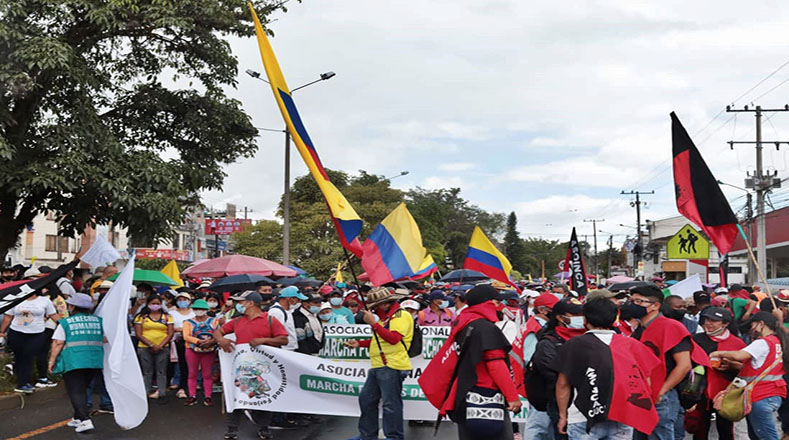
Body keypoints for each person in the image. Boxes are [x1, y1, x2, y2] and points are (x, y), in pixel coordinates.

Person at [418, 284, 521, 440]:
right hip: (487, 394)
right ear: (487, 303)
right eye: (497, 302)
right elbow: (495, 364)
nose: (500, 306)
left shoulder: (464, 322)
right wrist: (512, 396)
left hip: (464, 394)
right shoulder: (485, 328)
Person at [556, 298, 660, 440]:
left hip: (583, 416)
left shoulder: (574, 344)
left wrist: (563, 416)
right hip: (623, 415)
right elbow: (645, 383)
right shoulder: (632, 344)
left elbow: (563, 384)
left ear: (585, 319)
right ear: (614, 319)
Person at [629, 285, 706, 440]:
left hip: (663, 396)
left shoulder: (671, 326)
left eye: (638, 301)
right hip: (642, 394)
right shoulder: (640, 329)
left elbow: (684, 365)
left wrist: (662, 390)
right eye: (631, 301)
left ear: (655, 306)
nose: (632, 305)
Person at [214, 291, 289, 440]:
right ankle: (232, 429)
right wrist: (221, 340)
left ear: (250, 303)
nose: (238, 305)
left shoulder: (270, 320)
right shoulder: (237, 321)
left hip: (264, 368)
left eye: (240, 302)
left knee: (263, 396)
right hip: (242, 367)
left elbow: (283, 339)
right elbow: (218, 332)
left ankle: (264, 428)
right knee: (236, 396)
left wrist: (263, 340)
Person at [344, 287, 413, 440]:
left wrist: (374, 324)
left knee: (390, 405)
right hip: (380, 365)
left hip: (392, 365)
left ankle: (394, 437)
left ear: (385, 304)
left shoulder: (400, 316)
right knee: (366, 399)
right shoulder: (386, 318)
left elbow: (393, 338)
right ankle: (367, 435)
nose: (375, 310)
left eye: (376, 306)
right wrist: (359, 344)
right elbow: (380, 340)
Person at [710, 311, 788, 440]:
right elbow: (763, 368)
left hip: (761, 395)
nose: (752, 329)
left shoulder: (763, 342)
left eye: (753, 325)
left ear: (761, 324)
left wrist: (717, 353)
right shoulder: (778, 341)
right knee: (757, 435)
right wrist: (735, 366)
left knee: (765, 436)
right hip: (772, 393)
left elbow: (739, 355)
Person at [46, 292, 104, 432]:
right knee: (82, 388)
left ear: (72, 306)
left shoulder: (66, 322)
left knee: (75, 390)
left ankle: (84, 420)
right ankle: (78, 417)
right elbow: (104, 338)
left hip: (74, 361)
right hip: (94, 360)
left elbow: (58, 343)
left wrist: (51, 361)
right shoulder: (98, 320)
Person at [532, 298, 587, 439]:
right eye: (573, 315)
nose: (578, 318)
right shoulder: (549, 342)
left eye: (581, 314)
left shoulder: (589, 336)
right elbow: (552, 374)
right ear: (559, 317)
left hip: (589, 401)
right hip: (561, 402)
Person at [689, 307, 745, 440]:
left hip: (726, 393)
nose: (708, 323)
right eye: (707, 319)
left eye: (714, 320)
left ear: (725, 324)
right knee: (699, 430)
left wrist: (732, 366)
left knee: (726, 431)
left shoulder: (737, 343)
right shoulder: (695, 339)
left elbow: (746, 368)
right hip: (700, 391)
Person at [1, 289, 59, 393]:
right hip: (16, 332)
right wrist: (2, 331)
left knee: (28, 356)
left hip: (36, 334)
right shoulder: (17, 299)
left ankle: (22, 384)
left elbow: (53, 315)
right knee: (19, 357)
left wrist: (64, 325)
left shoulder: (44, 301)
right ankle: (21, 380)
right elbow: (8, 316)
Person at [133, 294, 174, 399]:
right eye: (153, 303)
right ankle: (147, 392)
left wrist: (160, 345)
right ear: (148, 304)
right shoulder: (141, 317)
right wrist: (151, 345)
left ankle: (161, 392)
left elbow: (170, 333)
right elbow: (138, 334)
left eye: (158, 304)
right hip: (144, 347)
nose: (155, 306)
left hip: (163, 347)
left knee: (162, 371)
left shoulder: (167, 317)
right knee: (147, 371)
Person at [182, 299, 219, 406]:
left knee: (207, 374)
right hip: (192, 350)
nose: (199, 311)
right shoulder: (187, 322)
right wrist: (198, 341)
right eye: (197, 309)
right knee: (192, 373)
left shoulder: (214, 321)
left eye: (202, 309)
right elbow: (186, 336)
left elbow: (218, 333)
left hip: (209, 350)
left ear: (206, 310)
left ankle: (208, 396)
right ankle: (192, 396)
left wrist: (210, 342)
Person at [169, 291, 194, 399]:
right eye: (180, 300)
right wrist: (182, 329)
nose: (182, 302)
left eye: (185, 300)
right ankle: (180, 386)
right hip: (177, 341)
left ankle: (188, 386)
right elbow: (170, 327)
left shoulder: (193, 313)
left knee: (190, 365)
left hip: (192, 341)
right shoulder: (172, 313)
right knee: (179, 365)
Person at [268, 285, 305, 351]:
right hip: (282, 351)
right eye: (298, 300)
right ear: (290, 299)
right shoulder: (276, 312)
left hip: (289, 350)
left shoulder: (288, 311)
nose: (299, 303)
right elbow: (273, 333)